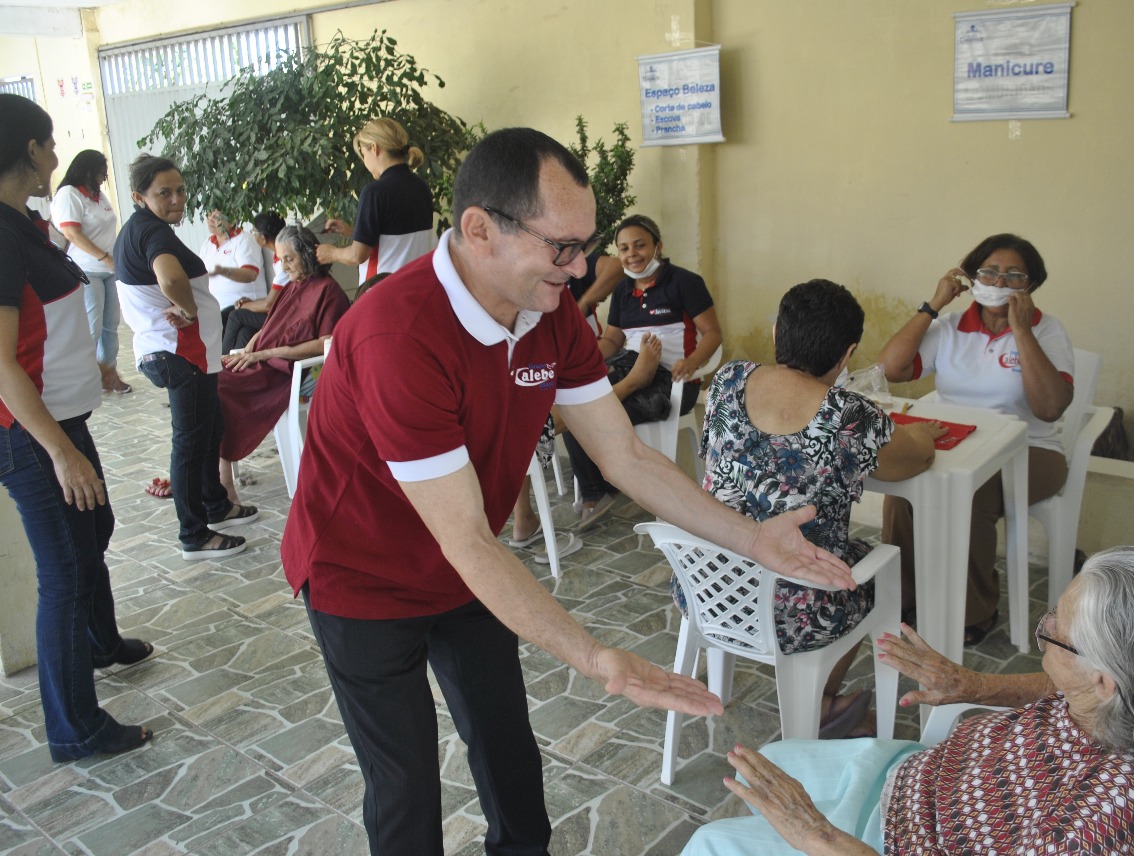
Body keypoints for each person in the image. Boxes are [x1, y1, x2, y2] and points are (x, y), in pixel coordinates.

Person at [279, 127, 854, 856]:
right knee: (405, 786)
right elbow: (465, 537)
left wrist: (750, 536)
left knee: (508, 751)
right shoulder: (399, 333)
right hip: (360, 574)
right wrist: (594, 656)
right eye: (564, 247)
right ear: (479, 229)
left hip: (467, 574)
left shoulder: (549, 314)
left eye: (587, 243)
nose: (585, 267)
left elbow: (626, 459)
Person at [684, 546, 1134, 855]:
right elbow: (1061, 684)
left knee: (712, 844)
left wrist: (819, 836)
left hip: (899, 842)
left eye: (1054, 631)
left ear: (1105, 678)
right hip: (920, 780)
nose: (1043, 628)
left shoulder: (1093, 822)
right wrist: (972, 686)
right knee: (774, 761)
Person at [689, 280, 944, 737]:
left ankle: (823, 702)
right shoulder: (850, 415)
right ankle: (823, 701)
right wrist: (924, 431)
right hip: (794, 608)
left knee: (849, 556)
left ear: (775, 334)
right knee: (870, 564)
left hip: (707, 583)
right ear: (847, 354)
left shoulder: (729, 379)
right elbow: (917, 456)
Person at [0, 93, 154, 763]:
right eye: (50, 142)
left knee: (96, 528)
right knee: (63, 570)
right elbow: (1, 363)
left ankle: (102, 642)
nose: (57, 155)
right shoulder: (0, 237)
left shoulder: (23, 224)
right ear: (30, 150)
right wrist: (60, 454)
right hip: (31, 432)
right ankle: (74, 729)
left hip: (63, 416)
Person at [877, 234, 1074, 644]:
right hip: (957, 442)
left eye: (1013, 276)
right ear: (971, 277)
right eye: (989, 272)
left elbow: (1050, 409)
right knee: (900, 490)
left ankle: (973, 610)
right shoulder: (950, 327)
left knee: (973, 493)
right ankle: (906, 599)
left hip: (1030, 450)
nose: (999, 283)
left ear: (1030, 286)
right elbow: (891, 369)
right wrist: (933, 305)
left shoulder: (1048, 331)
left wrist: (1021, 332)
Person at [114, 154, 258, 561]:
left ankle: (216, 504)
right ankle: (195, 534)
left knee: (210, 430)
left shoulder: (143, 227)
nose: (176, 199)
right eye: (164, 193)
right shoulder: (152, 233)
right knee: (191, 444)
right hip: (179, 353)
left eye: (179, 190)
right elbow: (171, 278)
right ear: (139, 196)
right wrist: (191, 311)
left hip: (188, 353)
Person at [563, 214, 724, 528]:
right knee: (575, 406)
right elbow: (612, 338)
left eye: (639, 245)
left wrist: (692, 363)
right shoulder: (624, 289)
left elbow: (713, 333)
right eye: (624, 248)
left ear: (658, 246)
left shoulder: (685, 282)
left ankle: (611, 487)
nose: (631, 254)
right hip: (628, 367)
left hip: (675, 380)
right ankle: (600, 489)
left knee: (600, 411)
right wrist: (583, 360)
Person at [217, 225, 350, 503]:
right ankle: (217, 472)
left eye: (289, 259)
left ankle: (223, 480)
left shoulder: (330, 293)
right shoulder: (293, 286)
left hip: (288, 374)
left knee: (220, 389)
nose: (284, 266)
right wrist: (253, 344)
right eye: (281, 259)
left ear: (307, 255)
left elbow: (326, 343)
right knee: (210, 378)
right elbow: (272, 324)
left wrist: (266, 354)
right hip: (263, 362)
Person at [317, 117, 435, 281]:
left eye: (363, 154)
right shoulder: (421, 187)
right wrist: (353, 232)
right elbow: (396, 239)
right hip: (417, 287)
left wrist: (330, 253)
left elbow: (357, 256)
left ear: (374, 148)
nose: (364, 161)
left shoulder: (375, 192)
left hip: (384, 293)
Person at [50, 149, 129, 394]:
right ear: (86, 170)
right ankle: (84, 378)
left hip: (108, 269)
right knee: (92, 327)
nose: (103, 179)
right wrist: (104, 257)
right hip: (86, 269)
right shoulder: (69, 194)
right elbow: (72, 234)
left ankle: (109, 375)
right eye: (100, 174)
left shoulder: (99, 197)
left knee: (110, 325)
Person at [222, 210, 288, 353]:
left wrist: (246, 305)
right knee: (245, 332)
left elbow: (268, 305)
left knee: (235, 315)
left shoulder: (285, 262)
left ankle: (222, 364)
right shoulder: (278, 257)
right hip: (280, 312)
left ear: (263, 238)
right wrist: (248, 304)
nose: (252, 234)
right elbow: (278, 297)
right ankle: (236, 369)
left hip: (285, 318)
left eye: (254, 231)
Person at [199, 209, 267, 321]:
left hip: (243, 310)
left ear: (231, 221)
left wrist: (223, 271)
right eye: (209, 215)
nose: (210, 220)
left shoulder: (244, 240)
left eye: (216, 217)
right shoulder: (207, 244)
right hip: (216, 312)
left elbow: (250, 274)